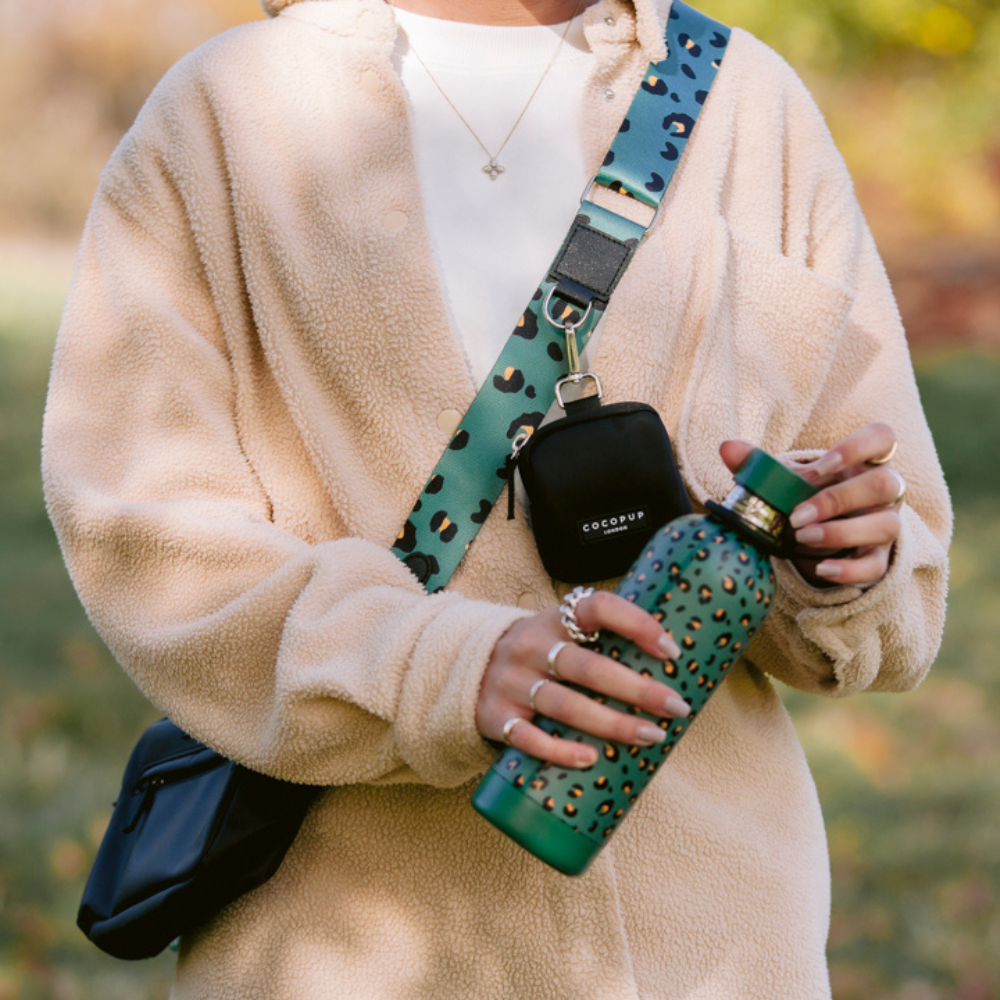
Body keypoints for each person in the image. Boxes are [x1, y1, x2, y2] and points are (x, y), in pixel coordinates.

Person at [42, 0, 951, 996]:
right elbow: (148, 536)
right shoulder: (224, 114)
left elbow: (892, 549)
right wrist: (447, 666)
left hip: (716, 948)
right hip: (349, 944)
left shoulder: (752, 103)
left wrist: (848, 553)